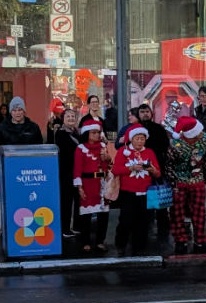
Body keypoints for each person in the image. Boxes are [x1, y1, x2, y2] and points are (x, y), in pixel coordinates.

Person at [113, 124, 160, 255]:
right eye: (137, 138)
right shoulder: (123, 151)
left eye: (142, 138)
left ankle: (140, 246)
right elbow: (115, 170)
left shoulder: (149, 152)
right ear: (132, 139)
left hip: (146, 192)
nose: (140, 141)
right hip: (128, 192)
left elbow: (158, 173)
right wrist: (131, 168)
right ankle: (121, 244)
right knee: (126, 219)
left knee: (144, 221)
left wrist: (152, 170)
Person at [166, 116, 206, 255]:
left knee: (199, 213)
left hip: (198, 181)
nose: (201, 133)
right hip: (179, 182)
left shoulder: (205, 139)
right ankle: (180, 241)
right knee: (177, 213)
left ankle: (200, 241)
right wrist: (173, 182)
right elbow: (169, 165)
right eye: (198, 132)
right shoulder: (176, 145)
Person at [72, 120, 111, 253]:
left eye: (98, 132)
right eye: (93, 132)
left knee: (103, 214)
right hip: (87, 183)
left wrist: (107, 159)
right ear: (87, 133)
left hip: (101, 183)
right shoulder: (80, 148)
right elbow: (77, 169)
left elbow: (108, 165)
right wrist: (79, 187)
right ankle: (85, 242)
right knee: (86, 215)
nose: (96, 135)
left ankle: (100, 241)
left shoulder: (102, 146)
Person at [137, 102, 171, 234]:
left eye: (147, 112)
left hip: (158, 166)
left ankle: (163, 226)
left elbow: (165, 145)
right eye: (142, 112)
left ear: (151, 114)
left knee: (158, 196)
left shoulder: (159, 128)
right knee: (142, 198)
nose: (145, 114)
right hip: (139, 168)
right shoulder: (135, 129)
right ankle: (145, 224)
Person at [55, 107, 81, 238]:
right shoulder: (60, 133)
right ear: (63, 119)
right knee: (66, 200)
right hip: (66, 171)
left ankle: (76, 226)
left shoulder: (76, 132)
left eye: (73, 116)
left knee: (78, 198)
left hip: (77, 171)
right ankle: (65, 228)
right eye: (68, 116)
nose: (71, 119)